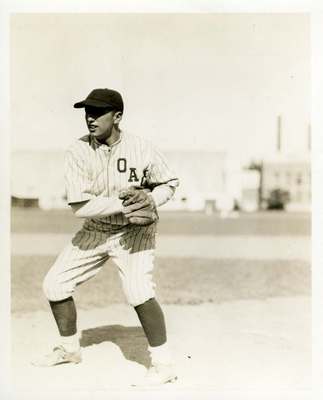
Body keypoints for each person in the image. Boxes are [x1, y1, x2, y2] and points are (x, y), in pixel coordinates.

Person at [32, 88, 179, 387]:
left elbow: (169, 183)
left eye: (98, 112)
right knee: (55, 284)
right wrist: (127, 204)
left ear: (118, 116)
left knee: (138, 290)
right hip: (96, 229)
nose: (90, 118)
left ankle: (163, 365)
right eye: (87, 111)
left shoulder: (143, 148)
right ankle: (70, 350)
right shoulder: (77, 150)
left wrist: (152, 200)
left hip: (134, 232)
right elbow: (80, 206)